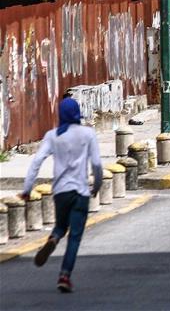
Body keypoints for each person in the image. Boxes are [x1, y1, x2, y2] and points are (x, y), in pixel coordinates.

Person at [23, 96, 102, 293]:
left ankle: (54, 238)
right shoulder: (87, 133)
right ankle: (65, 275)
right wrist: (97, 186)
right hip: (80, 192)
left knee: (60, 226)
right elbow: (97, 164)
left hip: (60, 192)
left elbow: (36, 162)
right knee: (74, 237)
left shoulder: (52, 135)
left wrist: (27, 189)